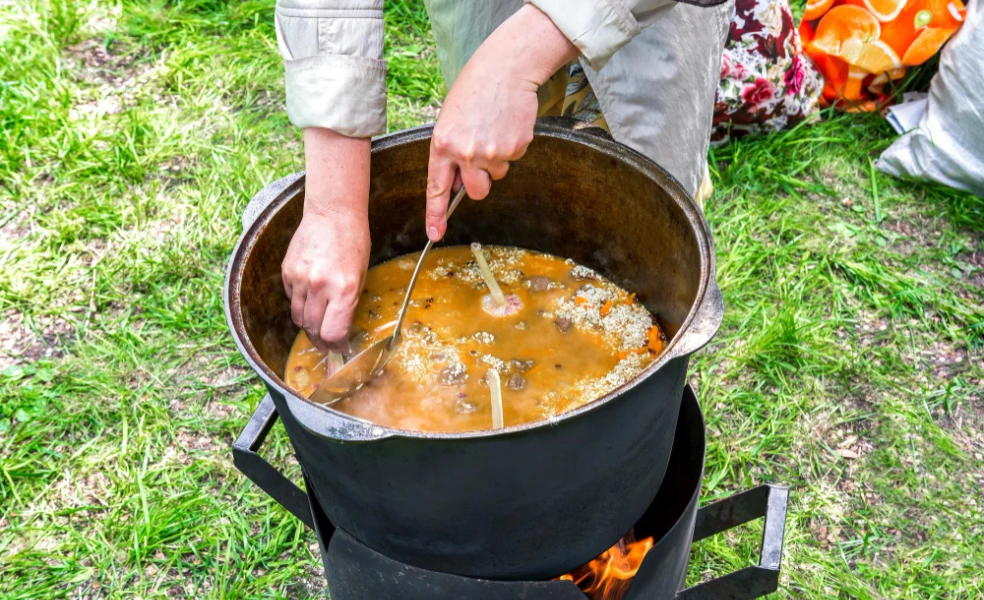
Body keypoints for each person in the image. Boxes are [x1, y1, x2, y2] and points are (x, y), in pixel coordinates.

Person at [276, 0, 732, 352]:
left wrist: (518, 57)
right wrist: (334, 207)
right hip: (487, 17)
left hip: (649, 30)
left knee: (652, 231)